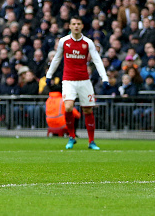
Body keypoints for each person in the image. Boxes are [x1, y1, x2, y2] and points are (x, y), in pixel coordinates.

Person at [45, 17, 109, 150]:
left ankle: (91, 141)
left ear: (82, 26)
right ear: (69, 26)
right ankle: (71, 137)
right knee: (68, 107)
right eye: (73, 24)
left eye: (78, 24)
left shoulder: (88, 42)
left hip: (85, 81)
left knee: (87, 110)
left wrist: (104, 77)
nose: (76, 26)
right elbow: (57, 58)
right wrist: (49, 75)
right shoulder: (64, 41)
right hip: (68, 80)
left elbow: (97, 60)